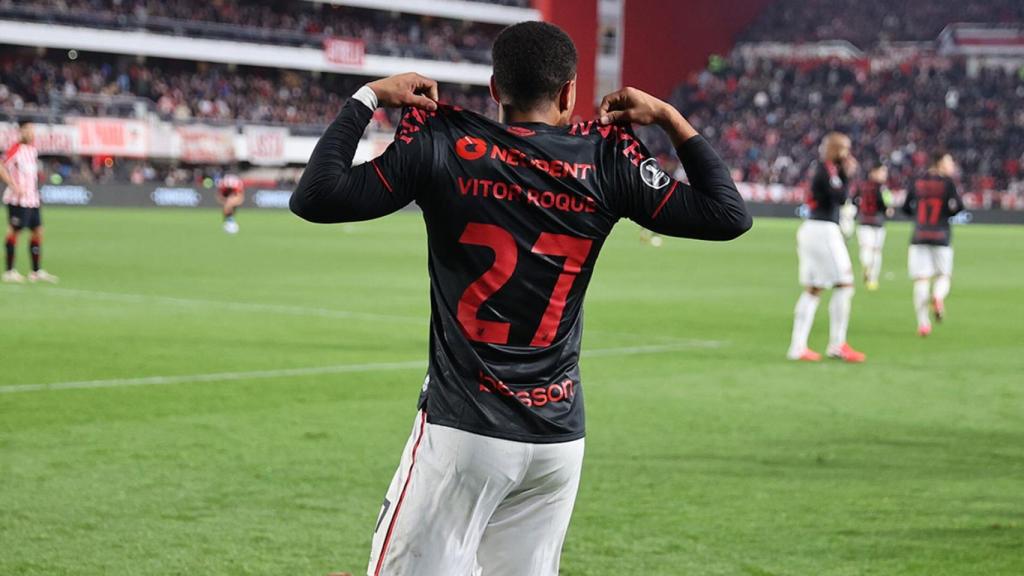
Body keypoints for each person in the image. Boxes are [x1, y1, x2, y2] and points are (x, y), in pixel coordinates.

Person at [290, 21, 751, 576]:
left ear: (493, 88)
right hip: (558, 440)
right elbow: (728, 215)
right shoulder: (606, 160)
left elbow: (315, 196)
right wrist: (671, 119)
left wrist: (367, 98)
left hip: (465, 432)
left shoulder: (443, 145)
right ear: (568, 92)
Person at [786, 132, 865, 363]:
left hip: (811, 229)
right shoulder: (828, 169)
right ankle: (837, 344)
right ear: (837, 149)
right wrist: (847, 176)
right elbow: (840, 198)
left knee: (814, 289)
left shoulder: (821, 168)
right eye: (845, 149)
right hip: (823, 231)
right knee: (845, 285)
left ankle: (797, 346)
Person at [902, 151, 963, 337]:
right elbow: (958, 207)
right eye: (949, 160)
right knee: (943, 275)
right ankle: (937, 296)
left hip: (919, 234)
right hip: (941, 235)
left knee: (921, 279)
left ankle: (923, 324)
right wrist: (947, 214)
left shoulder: (917, 181)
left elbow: (906, 207)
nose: (952, 164)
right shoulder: (948, 183)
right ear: (940, 163)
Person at [1, 123, 57, 284]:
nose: (31, 133)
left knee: (38, 231)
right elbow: (1, 166)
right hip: (17, 200)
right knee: (14, 231)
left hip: (32, 200)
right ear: (21, 132)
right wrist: (13, 184)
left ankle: (35, 271)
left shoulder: (32, 150)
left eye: (33, 130)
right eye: (28, 129)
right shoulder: (15, 149)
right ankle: (9, 271)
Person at [852, 163, 892, 290]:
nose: (884, 175)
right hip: (877, 221)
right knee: (876, 250)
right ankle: (872, 279)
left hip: (863, 220)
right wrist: (888, 210)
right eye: (882, 172)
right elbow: (884, 204)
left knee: (866, 248)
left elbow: (853, 200)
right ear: (874, 172)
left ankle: (866, 266)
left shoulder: (861, 186)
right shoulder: (882, 188)